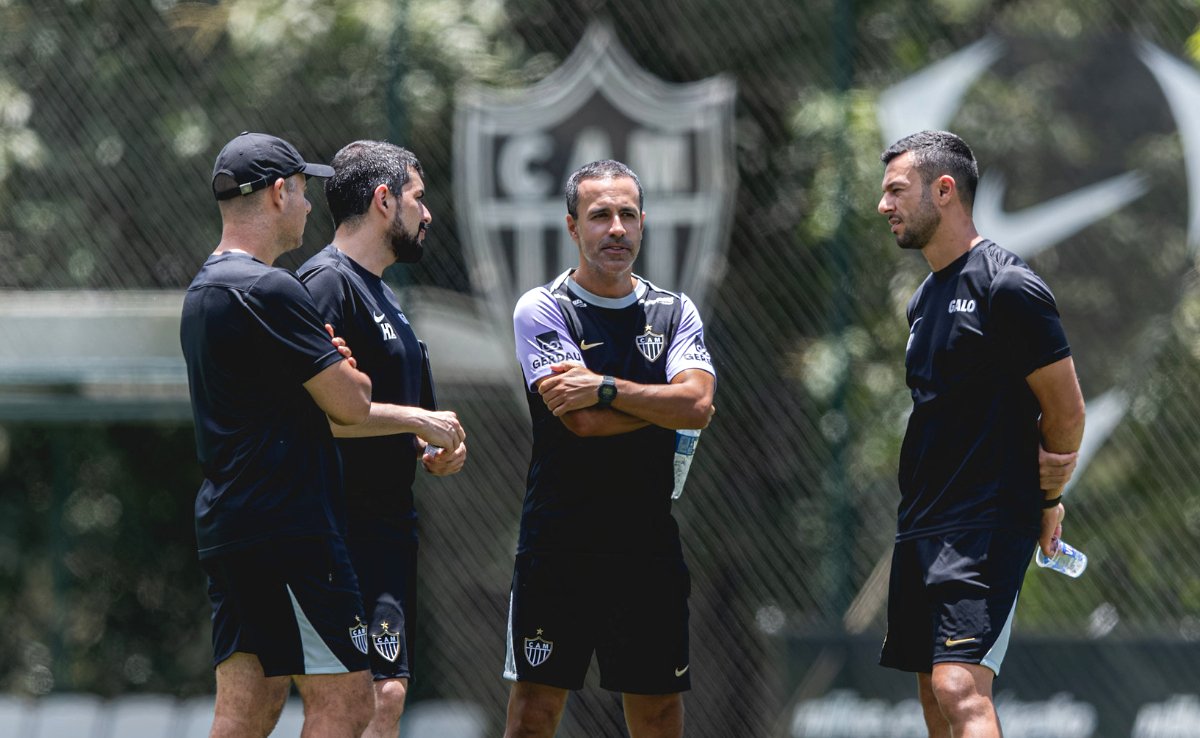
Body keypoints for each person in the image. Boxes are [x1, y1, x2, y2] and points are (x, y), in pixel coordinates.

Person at [876, 130, 1087, 738]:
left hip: (987, 520)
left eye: (896, 190)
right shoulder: (922, 300)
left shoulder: (1008, 286)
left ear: (944, 191)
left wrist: (1047, 498)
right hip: (922, 520)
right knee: (931, 690)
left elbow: (1067, 412)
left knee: (959, 685)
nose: (883, 205)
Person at [503, 159, 716, 738]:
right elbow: (583, 425)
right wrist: (659, 405)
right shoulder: (543, 307)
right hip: (558, 546)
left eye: (627, 215)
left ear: (643, 223)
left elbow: (696, 405)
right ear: (573, 227)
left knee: (657, 712)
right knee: (534, 712)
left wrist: (603, 386)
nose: (615, 228)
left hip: (646, 547)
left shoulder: (674, 312)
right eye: (600, 216)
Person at [180, 132, 376, 738]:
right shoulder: (272, 288)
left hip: (230, 525)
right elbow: (353, 404)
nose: (311, 207)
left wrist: (319, 365)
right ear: (277, 192)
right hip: (287, 526)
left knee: (248, 708)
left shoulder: (203, 291)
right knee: (347, 702)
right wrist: (344, 371)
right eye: (304, 191)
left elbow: (272, 395)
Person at [297, 140, 468, 738]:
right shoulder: (323, 285)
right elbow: (317, 414)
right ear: (383, 199)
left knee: (386, 694)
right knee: (350, 700)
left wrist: (434, 445)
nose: (427, 214)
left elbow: (405, 413)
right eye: (418, 198)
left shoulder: (386, 297)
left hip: (388, 528)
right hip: (334, 528)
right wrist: (420, 421)